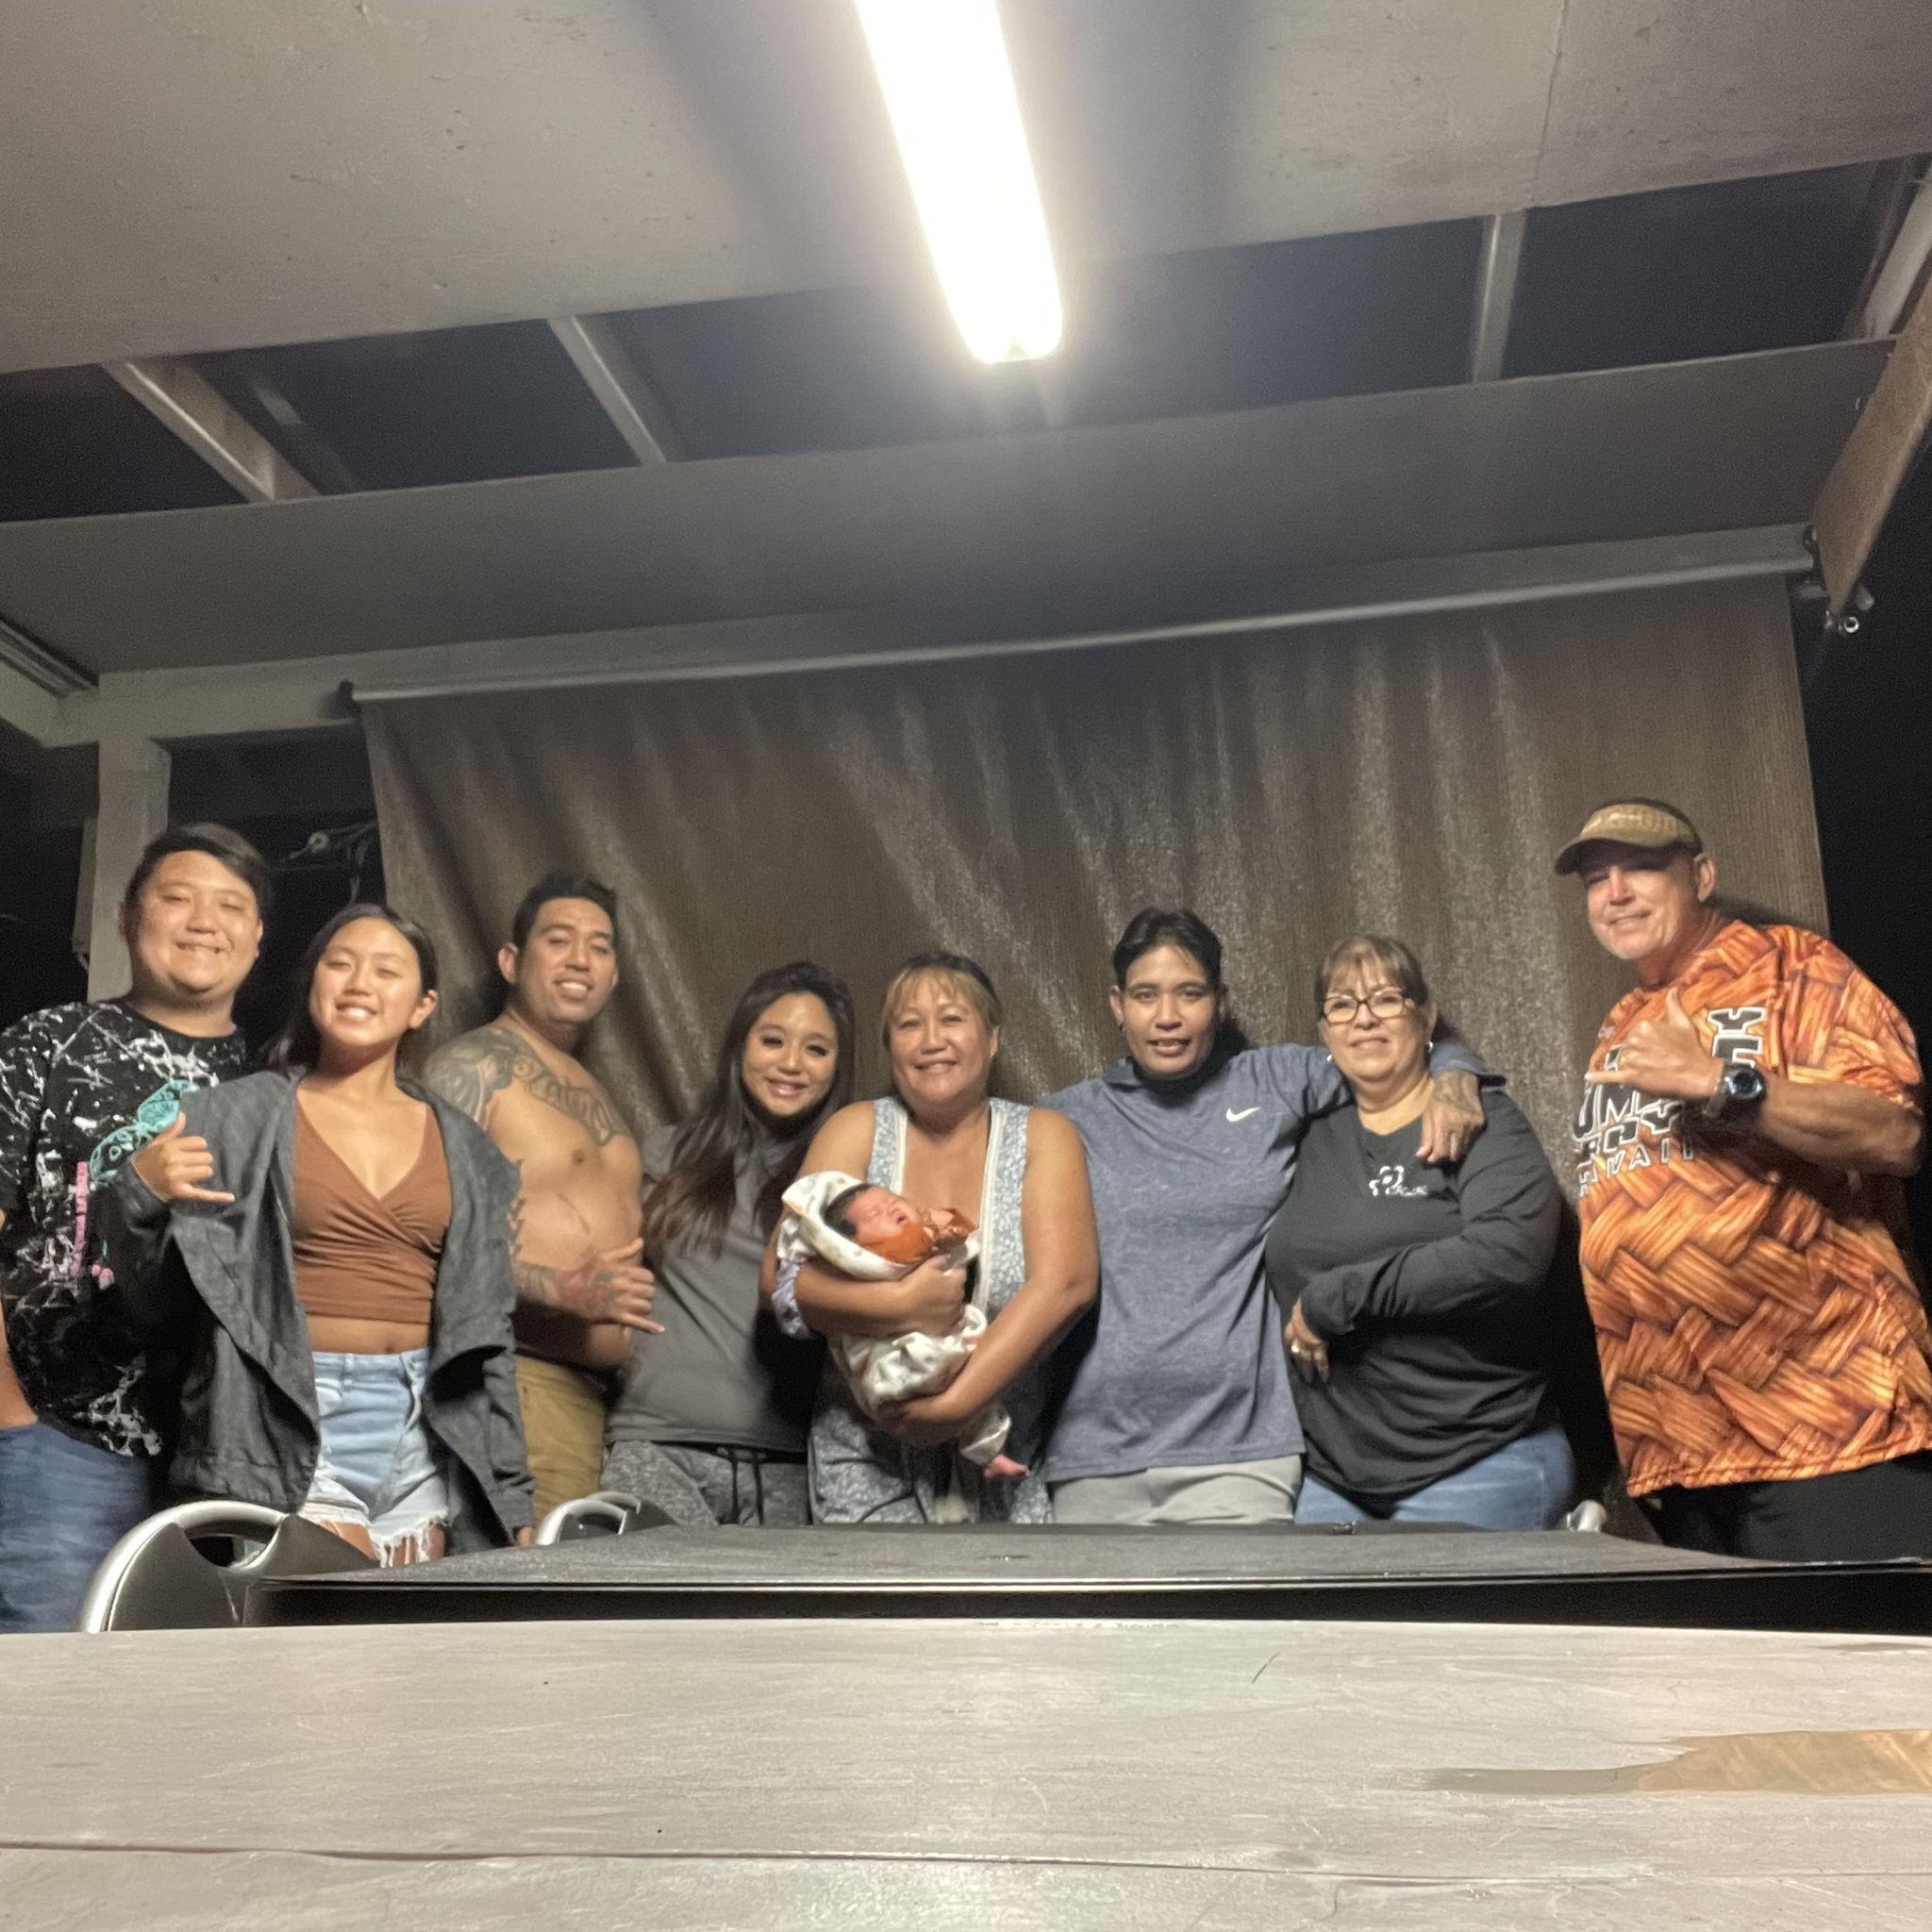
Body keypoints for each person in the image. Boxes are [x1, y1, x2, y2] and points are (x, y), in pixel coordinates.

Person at [100, 904, 532, 1559]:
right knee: (327, 1620)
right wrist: (139, 1191)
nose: (360, 982)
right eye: (341, 963)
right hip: (285, 1419)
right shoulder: (232, 1119)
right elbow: (150, 1303)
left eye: (387, 970)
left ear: (422, 1005)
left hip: (426, 1424)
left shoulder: (468, 1147)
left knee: (412, 1625)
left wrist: (511, 1488)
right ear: (312, 985)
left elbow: (488, 1329)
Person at [1561, 798, 1932, 1560]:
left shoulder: (1794, 967)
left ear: (1701, 876)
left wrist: (1722, 1082)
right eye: (1597, 878)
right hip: (1686, 1444)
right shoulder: (1625, 1018)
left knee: (1870, 1639)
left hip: (1828, 1420)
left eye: (1642, 868)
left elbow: (1893, 1133)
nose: (1616, 892)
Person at [1041, 908, 1490, 1526]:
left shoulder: (1273, 1081)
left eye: (1189, 993)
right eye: (1146, 996)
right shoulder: (1066, 1119)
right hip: (1095, 1454)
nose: (1167, 1016)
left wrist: (1456, 1074)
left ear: (1221, 1002)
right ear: (1118, 1005)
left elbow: (1395, 1048)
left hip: (1241, 1454)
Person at [0, 824, 267, 1633]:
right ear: (128, 916)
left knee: (194, 1690)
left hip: (221, 1450)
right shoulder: (46, 1045)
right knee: (52, 1674)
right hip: (56, 1435)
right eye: (176, 898)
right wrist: (7, 1408)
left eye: (230, 906)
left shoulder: (273, 1081)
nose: (203, 922)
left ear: (258, 936)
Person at [764, 953, 1098, 1524]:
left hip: (1004, 1464)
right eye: (909, 1024)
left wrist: (951, 1410)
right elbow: (779, 1278)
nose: (931, 1040)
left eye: (952, 1019)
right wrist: (899, 1304)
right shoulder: (857, 1130)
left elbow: (1066, 1285)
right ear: (889, 1046)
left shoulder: (1043, 1136)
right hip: (866, 1464)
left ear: (992, 1038)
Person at [1265, 935, 1573, 1528]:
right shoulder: (1305, 1136)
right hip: (1333, 1477)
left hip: (1478, 1456)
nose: (1364, 1019)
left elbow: (1509, 1254)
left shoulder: (1482, 1121)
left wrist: (1339, 1297)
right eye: (1342, 1005)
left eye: (1386, 998)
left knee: (1413, 1590)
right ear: (1325, 1032)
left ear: (1426, 1017)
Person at [424, 872, 658, 1524]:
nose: (581, 959)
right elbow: (421, 1229)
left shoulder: (592, 1088)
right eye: (558, 940)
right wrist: (558, 1289)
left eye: (600, 947)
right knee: (530, 1581)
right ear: (511, 961)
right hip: (520, 1382)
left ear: (614, 976)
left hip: (598, 1402)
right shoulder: (473, 1067)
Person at [603, 962, 854, 1526]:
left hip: (792, 1464)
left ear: (838, 1067)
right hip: (659, 1447)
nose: (791, 1063)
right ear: (740, 1047)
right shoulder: (667, 1155)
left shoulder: (849, 1184)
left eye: (816, 1049)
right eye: (773, 1041)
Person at [776, 1172, 1025, 1479]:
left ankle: (991, 1453)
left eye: (891, 1200)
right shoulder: (856, 1266)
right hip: (892, 1358)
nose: (889, 1208)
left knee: (980, 1402)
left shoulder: (928, 1235)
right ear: (851, 1245)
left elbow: (963, 1243)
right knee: (914, 1381)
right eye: (873, 1215)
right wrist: (902, 1301)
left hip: (951, 1350)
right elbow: (786, 1281)